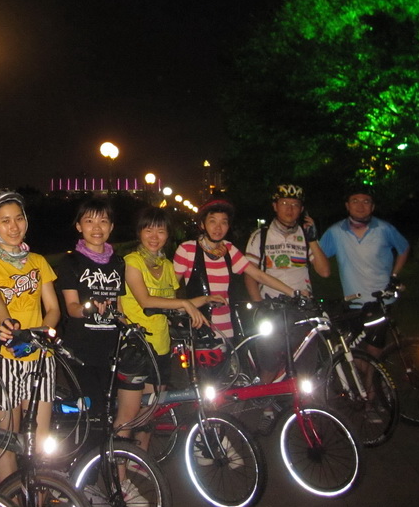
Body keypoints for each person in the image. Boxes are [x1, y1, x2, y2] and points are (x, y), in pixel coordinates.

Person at [0, 190, 61, 484]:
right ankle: (8, 500)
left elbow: (53, 308)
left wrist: (42, 333)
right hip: (2, 360)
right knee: (6, 442)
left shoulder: (38, 261)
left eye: (19, 218)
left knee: (41, 443)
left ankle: (38, 499)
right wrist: (6, 322)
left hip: (40, 358)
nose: (14, 226)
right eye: (5, 221)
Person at [116, 207, 213, 454]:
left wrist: (203, 300)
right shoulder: (131, 262)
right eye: (148, 229)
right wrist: (185, 304)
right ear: (139, 232)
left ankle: (141, 461)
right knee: (129, 414)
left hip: (160, 346)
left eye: (160, 231)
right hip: (135, 347)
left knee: (151, 410)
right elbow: (146, 301)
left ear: (168, 235)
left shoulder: (167, 265)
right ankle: (119, 469)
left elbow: (171, 303)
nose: (154, 236)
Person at [173, 199, 298, 340]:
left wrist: (294, 293)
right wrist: (177, 312)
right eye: (212, 221)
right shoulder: (187, 250)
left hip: (228, 327)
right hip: (198, 328)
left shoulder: (229, 249)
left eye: (224, 222)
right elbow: (170, 288)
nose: (218, 228)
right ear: (202, 224)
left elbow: (259, 275)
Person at [244, 184, 331, 383]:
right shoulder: (260, 236)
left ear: (302, 209)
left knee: (305, 366)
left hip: (303, 308)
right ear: (275, 206)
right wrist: (259, 305)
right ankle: (265, 398)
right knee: (269, 364)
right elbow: (250, 274)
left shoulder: (305, 236)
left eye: (295, 204)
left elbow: (325, 272)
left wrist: (313, 240)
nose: (290, 209)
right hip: (272, 307)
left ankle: (303, 401)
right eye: (284, 203)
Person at [54, 197, 126, 420]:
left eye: (103, 221)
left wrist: (128, 330)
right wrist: (88, 309)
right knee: (92, 410)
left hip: (110, 351)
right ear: (79, 226)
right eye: (89, 221)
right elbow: (71, 307)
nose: (97, 228)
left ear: (111, 226)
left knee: (110, 410)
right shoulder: (71, 263)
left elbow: (120, 307)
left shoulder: (118, 263)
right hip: (80, 351)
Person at [320, 186, 410, 355]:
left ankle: (374, 372)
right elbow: (317, 256)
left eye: (366, 201)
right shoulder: (335, 232)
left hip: (381, 300)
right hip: (352, 302)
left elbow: (403, 248)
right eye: (355, 201)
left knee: (374, 351)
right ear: (347, 205)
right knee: (354, 355)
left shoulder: (384, 228)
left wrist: (395, 275)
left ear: (372, 206)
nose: (360, 206)